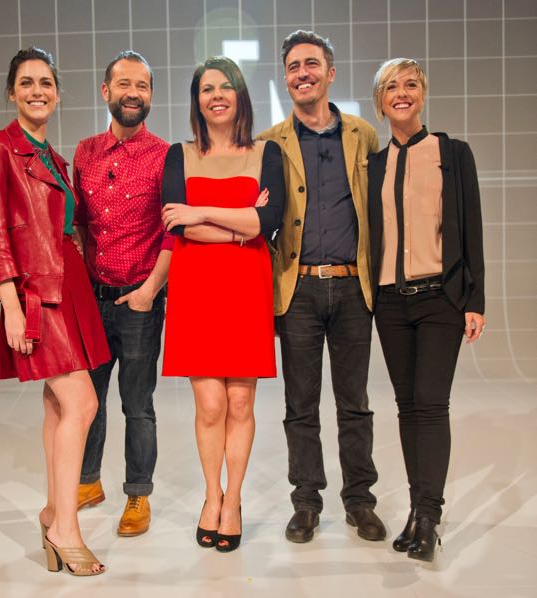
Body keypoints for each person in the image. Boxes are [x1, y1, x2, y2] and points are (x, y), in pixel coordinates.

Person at [0, 47, 110, 576]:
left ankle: (54, 512)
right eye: (26, 82)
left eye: (46, 82)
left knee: (56, 405)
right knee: (83, 402)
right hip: (36, 293)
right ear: (11, 92)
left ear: (57, 93)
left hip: (68, 286)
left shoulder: (53, 157)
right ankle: (65, 528)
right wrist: (10, 304)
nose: (37, 91)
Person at [258, 30, 386, 543]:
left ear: (330, 74)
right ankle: (306, 502)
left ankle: (360, 501)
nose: (302, 73)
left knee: (354, 403)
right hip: (299, 290)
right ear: (285, 78)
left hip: (354, 288)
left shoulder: (363, 135)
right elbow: (259, 218)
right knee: (300, 406)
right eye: (293, 66)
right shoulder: (270, 142)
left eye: (311, 64)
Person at [161, 56, 284, 552]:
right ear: (197, 100)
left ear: (240, 96)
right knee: (210, 405)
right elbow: (177, 225)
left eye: (225, 87)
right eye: (206, 88)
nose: (216, 96)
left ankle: (233, 501)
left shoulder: (267, 152)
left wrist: (202, 212)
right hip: (196, 288)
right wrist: (239, 224)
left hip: (246, 286)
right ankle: (211, 495)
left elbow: (268, 223)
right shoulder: (179, 155)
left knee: (240, 402)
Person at [368, 58, 485, 562]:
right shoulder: (374, 165)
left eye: (411, 84)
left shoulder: (452, 153)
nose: (402, 92)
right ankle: (416, 511)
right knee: (407, 407)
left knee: (432, 403)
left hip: (441, 298)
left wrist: (475, 300)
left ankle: (430, 517)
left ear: (422, 93)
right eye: (391, 87)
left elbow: (472, 226)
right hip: (390, 302)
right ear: (380, 101)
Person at [73, 51, 172, 537]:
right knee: (87, 400)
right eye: (124, 84)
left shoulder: (166, 156)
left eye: (143, 86)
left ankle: (138, 493)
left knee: (138, 404)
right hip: (92, 300)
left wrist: (150, 291)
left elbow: (173, 234)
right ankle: (87, 482)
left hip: (139, 303)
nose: (133, 93)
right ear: (106, 91)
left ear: (150, 95)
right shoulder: (85, 152)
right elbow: (78, 223)